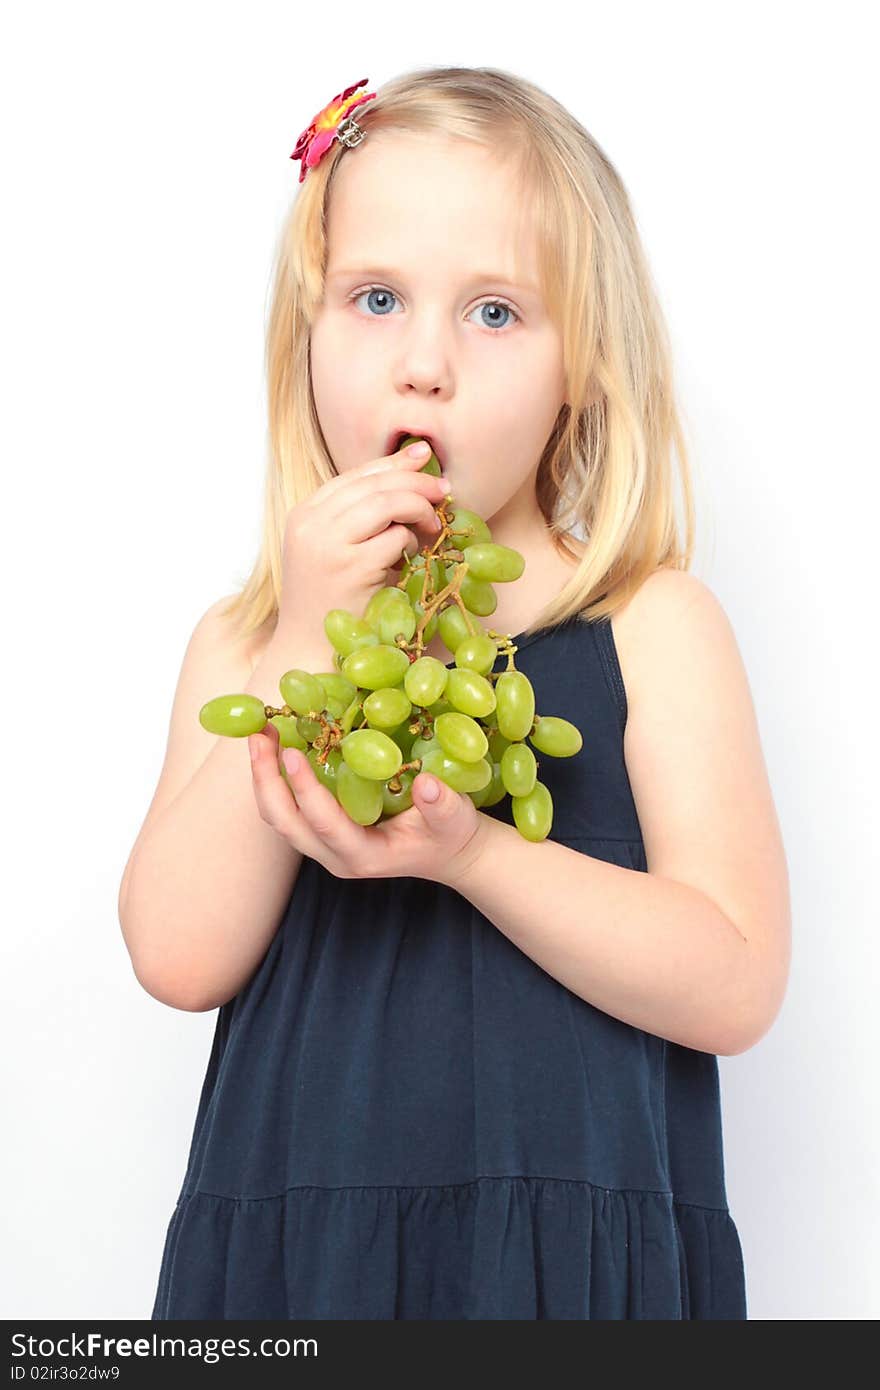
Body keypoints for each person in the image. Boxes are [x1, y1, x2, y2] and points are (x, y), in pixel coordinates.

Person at [119, 66, 791, 1320]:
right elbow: (177, 952)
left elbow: (736, 981)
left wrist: (475, 854)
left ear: (582, 363)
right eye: (375, 299)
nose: (421, 364)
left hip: (566, 1277)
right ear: (304, 336)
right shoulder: (249, 643)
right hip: (299, 1276)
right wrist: (305, 641)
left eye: (493, 313)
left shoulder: (651, 625)